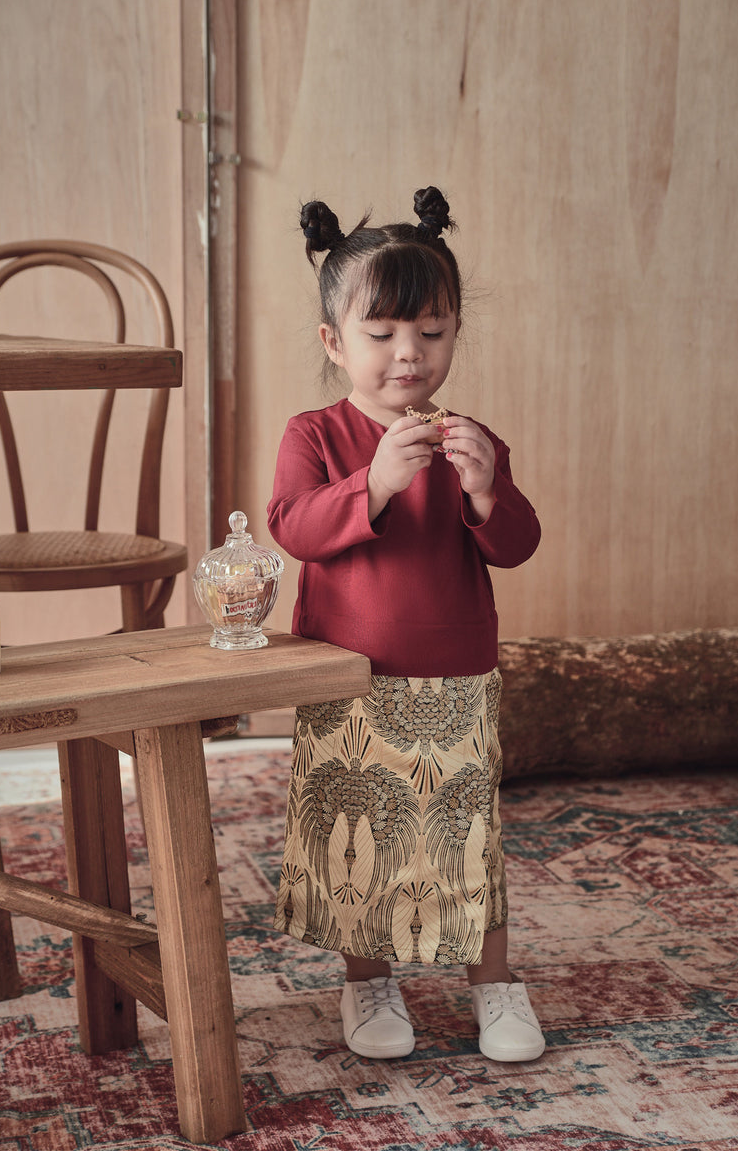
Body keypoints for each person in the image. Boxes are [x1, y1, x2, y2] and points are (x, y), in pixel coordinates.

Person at [267, 186, 544, 1063]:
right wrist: (376, 483)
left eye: (430, 333)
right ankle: (367, 981)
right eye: (381, 335)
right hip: (346, 671)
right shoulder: (314, 432)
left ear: (455, 332)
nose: (407, 355)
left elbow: (517, 545)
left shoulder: (470, 436)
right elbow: (293, 527)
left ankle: (495, 987)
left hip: (457, 670)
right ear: (333, 342)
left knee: (466, 836)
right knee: (360, 834)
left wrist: (489, 489)